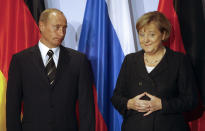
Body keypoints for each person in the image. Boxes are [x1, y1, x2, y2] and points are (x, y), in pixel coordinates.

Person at [6, 8, 95, 131]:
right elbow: (12, 106)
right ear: (41, 26)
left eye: (64, 28)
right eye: (57, 27)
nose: (61, 33)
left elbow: (87, 108)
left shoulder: (79, 61)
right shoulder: (20, 61)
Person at [111, 11, 198, 131]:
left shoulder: (179, 61)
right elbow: (116, 97)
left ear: (163, 35)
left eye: (151, 34)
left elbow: (191, 100)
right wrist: (129, 103)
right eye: (141, 35)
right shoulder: (130, 61)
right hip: (135, 126)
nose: (146, 40)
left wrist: (163, 104)